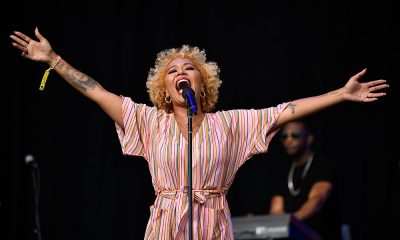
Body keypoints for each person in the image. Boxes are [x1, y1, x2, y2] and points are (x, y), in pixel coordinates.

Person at [10, 27, 388, 240]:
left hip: (213, 224)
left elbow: (286, 110)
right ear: (163, 84)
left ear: (202, 82)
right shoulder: (147, 120)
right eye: (172, 69)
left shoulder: (231, 123)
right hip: (165, 225)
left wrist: (340, 94)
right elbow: (95, 90)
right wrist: (53, 61)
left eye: (188, 68)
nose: (180, 72)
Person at [269, 119, 341, 240]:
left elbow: (317, 199)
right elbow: (276, 209)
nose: (289, 140)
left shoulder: (322, 166)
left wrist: (292, 222)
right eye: (284, 136)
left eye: (295, 136)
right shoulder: (283, 170)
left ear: (309, 138)